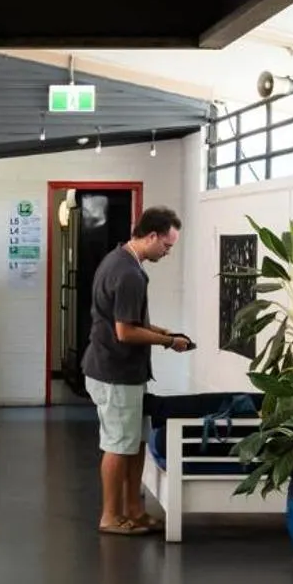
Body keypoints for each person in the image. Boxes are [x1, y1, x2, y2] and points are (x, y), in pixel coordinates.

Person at [82, 207, 193, 535]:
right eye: (167, 246)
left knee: (133, 442)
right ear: (152, 236)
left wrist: (164, 333)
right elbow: (125, 332)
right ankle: (111, 517)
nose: (168, 252)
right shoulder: (129, 273)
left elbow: (131, 322)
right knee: (118, 444)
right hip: (114, 372)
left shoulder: (118, 260)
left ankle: (134, 510)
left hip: (121, 372)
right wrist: (168, 342)